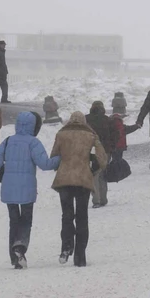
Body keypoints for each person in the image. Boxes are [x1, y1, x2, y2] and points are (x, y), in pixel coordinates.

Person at [0, 111, 60, 269]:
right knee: (26, 221)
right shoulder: (33, 143)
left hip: (9, 188)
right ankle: (20, 246)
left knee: (13, 222)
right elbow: (44, 164)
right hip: (27, 188)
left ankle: (14, 259)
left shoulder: (8, 141)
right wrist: (60, 159)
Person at [50, 111, 108, 267]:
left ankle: (66, 246)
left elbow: (54, 156)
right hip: (83, 180)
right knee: (82, 217)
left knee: (66, 215)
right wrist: (93, 168)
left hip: (64, 180)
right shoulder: (91, 136)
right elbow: (102, 158)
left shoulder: (61, 134)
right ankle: (80, 257)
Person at [84, 101, 114, 208]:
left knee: (94, 174)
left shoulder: (86, 119)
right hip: (106, 151)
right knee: (102, 174)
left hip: (91, 150)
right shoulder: (107, 120)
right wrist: (112, 148)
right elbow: (116, 134)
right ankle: (103, 198)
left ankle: (96, 200)